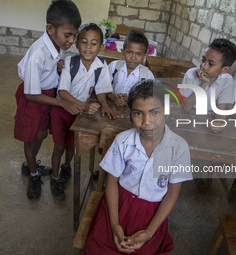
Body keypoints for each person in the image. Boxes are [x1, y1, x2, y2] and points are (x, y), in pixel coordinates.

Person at [84, 80, 192, 254]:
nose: (147, 121)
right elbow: (111, 183)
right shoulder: (123, 141)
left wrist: (149, 232)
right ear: (130, 115)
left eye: (155, 112)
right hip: (119, 204)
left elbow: (172, 194)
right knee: (99, 247)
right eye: (138, 113)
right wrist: (114, 225)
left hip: (151, 213)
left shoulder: (179, 148)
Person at [14, 0, 82, 200]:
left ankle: (30, 163)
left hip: (46, 95)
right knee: (31, 137)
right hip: (34, 97)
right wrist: (62, 102)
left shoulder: (56, 43)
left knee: (42, 134)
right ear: (50, 29)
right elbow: (30, 94)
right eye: (67, 35)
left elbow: (49, 68)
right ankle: (33, 174)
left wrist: (58, 67)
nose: (71, 41)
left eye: (74, 36)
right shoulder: (38, 53)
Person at [49, 23, 114, 200]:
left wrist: (105, 104)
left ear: (101, 47)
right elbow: (62, 92)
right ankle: (55, 178)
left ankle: (66, 166)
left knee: (72, 144)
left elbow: (101, 89)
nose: (88, 47)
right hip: (62, 111)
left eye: (94, 43)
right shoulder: (70, 63)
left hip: (77, 114)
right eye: (84, 42)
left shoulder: (101, 65)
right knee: (59, 146)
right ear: (77, 44)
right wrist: (84, 106)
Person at [180, 38, 236, 133]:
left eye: (211, 64)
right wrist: (203, 83)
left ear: (225, 70)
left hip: (206, 120)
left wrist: (219, 123)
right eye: (203, 60)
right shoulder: (191, 74)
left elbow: (221, 110)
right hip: (185, 118)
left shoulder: (227, 80)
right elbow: (186, 108)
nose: (204, 66)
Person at [106, 29, 154, 107]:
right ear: (123, 52)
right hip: (111, 106)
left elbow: (149, 99)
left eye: (138, 54)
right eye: (129, 52)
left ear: (145, 55)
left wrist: (131, 98)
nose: (133, 58)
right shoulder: (114, 66)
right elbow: (102, 87)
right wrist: (114, 97)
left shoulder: (147, 75)